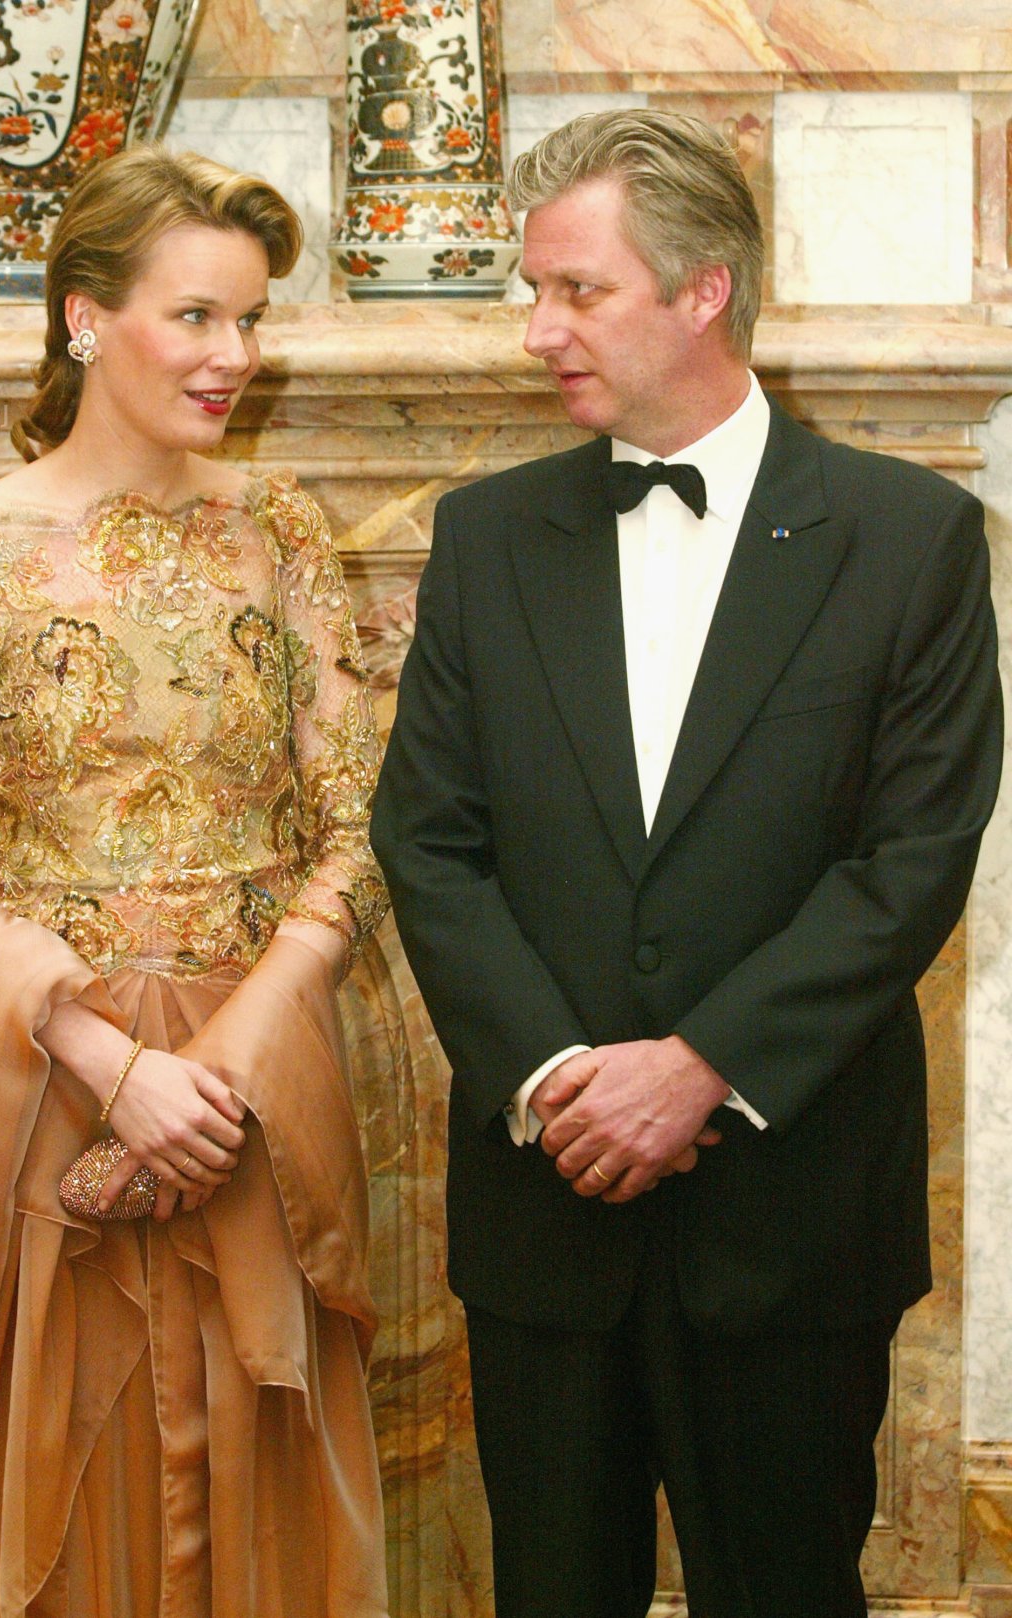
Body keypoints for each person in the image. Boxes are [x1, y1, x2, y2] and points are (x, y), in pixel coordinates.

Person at [371, 108, 1003, 1618]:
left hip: (793, 1223)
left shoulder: (911, 537)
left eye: (575, 291)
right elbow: (427, 837)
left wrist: (703, 1063)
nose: (538, 333)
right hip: (545, 1217)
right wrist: (552, 1077)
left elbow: (911, 857)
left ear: (702, 287)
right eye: (536, 293)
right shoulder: (482, 539)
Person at [0, 145, 390, 1618]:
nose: (236, 356)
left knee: (263, 1488)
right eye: (200, 318)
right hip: (45, 1093)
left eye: (250, 321)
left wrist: (214, 1072)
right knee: (73, 1480)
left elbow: (358, 827)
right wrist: (118, 1072)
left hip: (257, 1093)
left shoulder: (282, 530)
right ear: (84, 317)